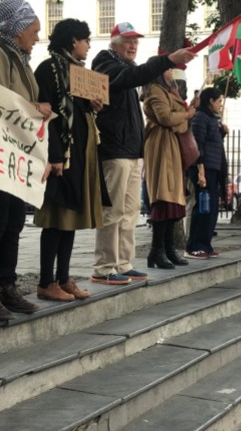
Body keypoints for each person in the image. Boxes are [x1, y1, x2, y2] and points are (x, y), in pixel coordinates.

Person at [91, 23, 195, 282]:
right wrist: (167, 60)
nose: (133, 45)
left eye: (136, 41)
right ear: (114, 42)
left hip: (130, 150)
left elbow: (134, 77)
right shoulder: (105, 62)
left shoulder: (126, 69)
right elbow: (132, 78)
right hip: (114, 148)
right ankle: (105, 267)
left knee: (129, 212)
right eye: (127, 40)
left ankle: (124, 264)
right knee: (113, 211)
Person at [0, 0, 51, 320]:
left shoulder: (18, 56)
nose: (37, 36)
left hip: (14, 156)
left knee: (13, 222)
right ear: (17, 29)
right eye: (33, 29)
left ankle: (6, 286)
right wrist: (36, 110)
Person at [33, 19, 107, 301]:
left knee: (71, 217)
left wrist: (93, 106)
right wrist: (53, 155)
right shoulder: (50, 68)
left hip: (78, 154)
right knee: (56, 218)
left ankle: (63, 278)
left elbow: (77, 111)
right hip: (60, 156)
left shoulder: (78, 72)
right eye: (86, 40)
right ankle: (45, 281)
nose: (89, 45)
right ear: (73, 41)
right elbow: (47, 115)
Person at [142, 61, 195, 268]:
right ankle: (158, 250)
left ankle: (167, 248)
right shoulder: (155, 91)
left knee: (173, 199)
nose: (171, 73)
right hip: (161, 145)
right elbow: (165, 118)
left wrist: (180, 118)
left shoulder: (167, 91)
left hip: (171, 145)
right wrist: (186, 115)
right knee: (164, 198)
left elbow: (176, 121)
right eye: (167, 69)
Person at [186, 87, 226, 258]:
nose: (221, 105)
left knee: (211, 209)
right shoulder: (200, 117)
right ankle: (194, 245)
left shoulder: (211, 119)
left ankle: (206, 243)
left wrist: (221, 133)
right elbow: (198, 145)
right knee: (203, 207)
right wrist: (200, 171)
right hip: (204, 168)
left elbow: (212, 142)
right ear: (210, 101)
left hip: (214, 167)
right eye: (219, 101)